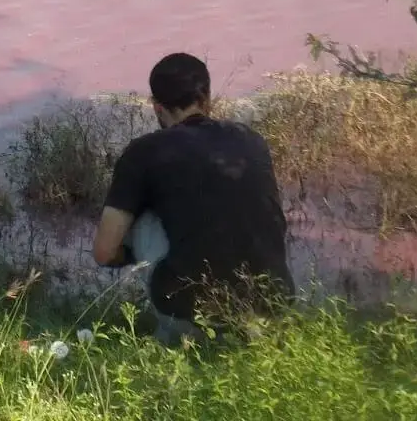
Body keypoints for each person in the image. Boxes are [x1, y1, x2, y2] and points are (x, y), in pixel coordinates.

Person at [92, 52, 292, 345]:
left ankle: (177, 333)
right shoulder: (251, 139)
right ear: (207, 99)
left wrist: (131, 257)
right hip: (275, 307)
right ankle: (253, 332)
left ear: (157, 108)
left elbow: (104, 252)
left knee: (143, 215)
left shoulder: (144, 151)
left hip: (195, 314)